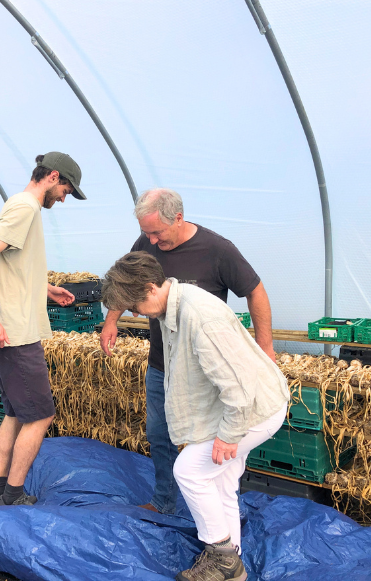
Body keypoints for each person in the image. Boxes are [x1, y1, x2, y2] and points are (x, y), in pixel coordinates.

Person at [102, 252, 289, 581]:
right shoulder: (173, 307)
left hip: (254, 410)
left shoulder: (201, 318)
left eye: (134, 305)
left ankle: (222, 558)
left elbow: (239, 387)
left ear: (150, 288)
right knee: (221, 481)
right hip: (237, 406)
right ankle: (230, 562)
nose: (134, 313)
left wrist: (229, 435)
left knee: (188, 470)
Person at [99, 188, 274, 515]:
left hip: (202, 371)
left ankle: (221, 509)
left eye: (157, 233)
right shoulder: (146, 243)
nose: (151, 241)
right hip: (161, 363)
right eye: (146, 233)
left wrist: (265, 347)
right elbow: (126, 282)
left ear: (178, 218)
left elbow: (255, 291)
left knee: (210, 443)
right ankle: (164, 501)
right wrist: (111, 321)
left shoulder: (217, 250)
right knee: (159, 434)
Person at [0, 152, 84, 507]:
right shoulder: (25, 207)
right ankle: (14, 494)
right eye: (66, 189)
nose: (64, 198)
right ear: (53, 177)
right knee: (41, 415)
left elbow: (11, 264)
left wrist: (45, 288)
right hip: (15, 333)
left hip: (12, 329)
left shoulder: (23, 207)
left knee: (15, 413)